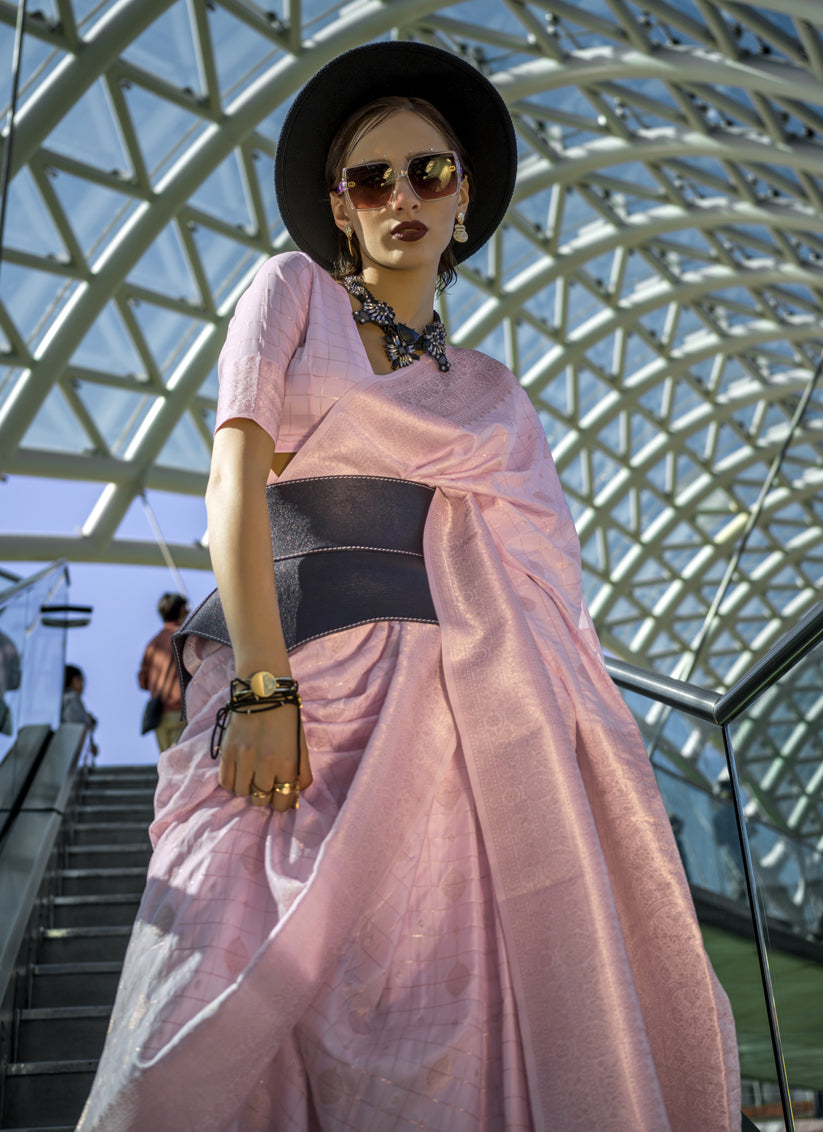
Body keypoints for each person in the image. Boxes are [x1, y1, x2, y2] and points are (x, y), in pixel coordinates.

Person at [78, 42, 740, 1131]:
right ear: (339, 208)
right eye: (371, 178)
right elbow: (232, 484)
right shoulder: (289, 290)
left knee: (450, 1026)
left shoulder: (491, 391)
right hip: (296, 690)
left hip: (456, 729)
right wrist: (260, 685)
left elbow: (541, 587)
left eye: (428, 173)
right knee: (204, 993)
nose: (402, 198)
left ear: (463, 197)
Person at [138, 592, 188, 751]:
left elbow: (142, 681)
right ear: (182, 610)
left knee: (167, 759)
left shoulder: (152, 644)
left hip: (159, 715)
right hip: (181, 710)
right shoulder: (185, 637)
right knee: (181, 760)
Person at [61, 664, 98, 759]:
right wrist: (91, 722)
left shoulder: (61, 699)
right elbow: (79, 722)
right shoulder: (72, 698)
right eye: (81, 681)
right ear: (74, 680)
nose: (82, 686)